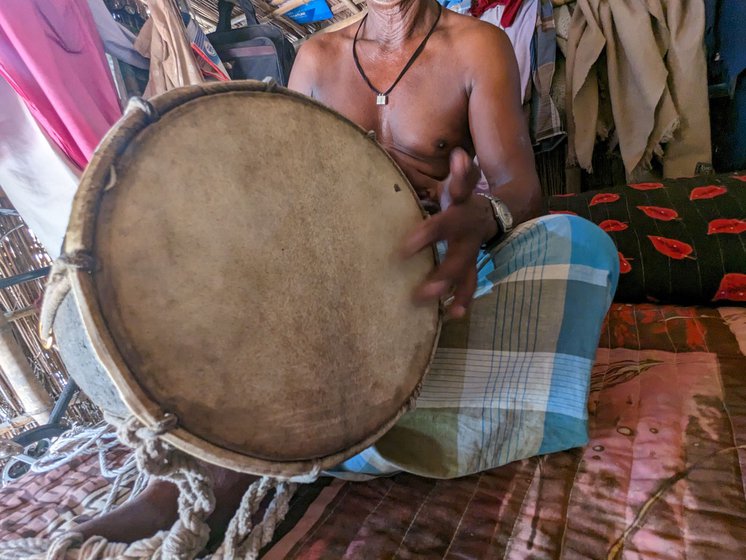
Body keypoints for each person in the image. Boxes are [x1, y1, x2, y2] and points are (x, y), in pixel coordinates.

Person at [75, 0, 618, 545]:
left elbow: (521, 189)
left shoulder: (477, 45)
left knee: (581, 246)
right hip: (324, 274)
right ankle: (231, 461)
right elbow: (278, 189)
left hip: (434, 265)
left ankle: (318, 435)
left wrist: (482, 213)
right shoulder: (316, 57)